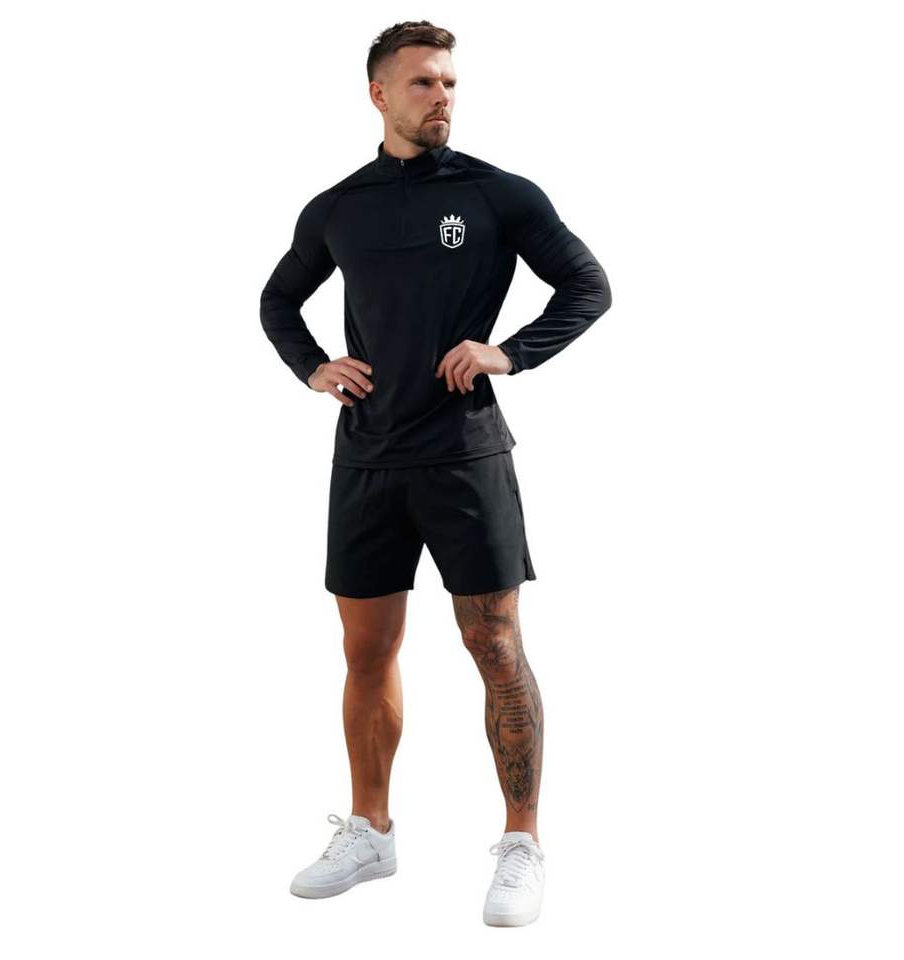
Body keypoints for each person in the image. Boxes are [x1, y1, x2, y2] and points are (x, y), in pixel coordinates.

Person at [259, 20, 611, 927]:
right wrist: (313, 366)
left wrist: (510, 352)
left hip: (465, 456)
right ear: (379, 94)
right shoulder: (340, 207)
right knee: (365, 651)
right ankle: (370, 831)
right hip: (368, 457)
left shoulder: (497, 194)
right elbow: (278, 298)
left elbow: (588, 285)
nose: (441, 96)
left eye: (449, 81)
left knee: (495, 645)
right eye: (422, 82)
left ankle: (522, 841)